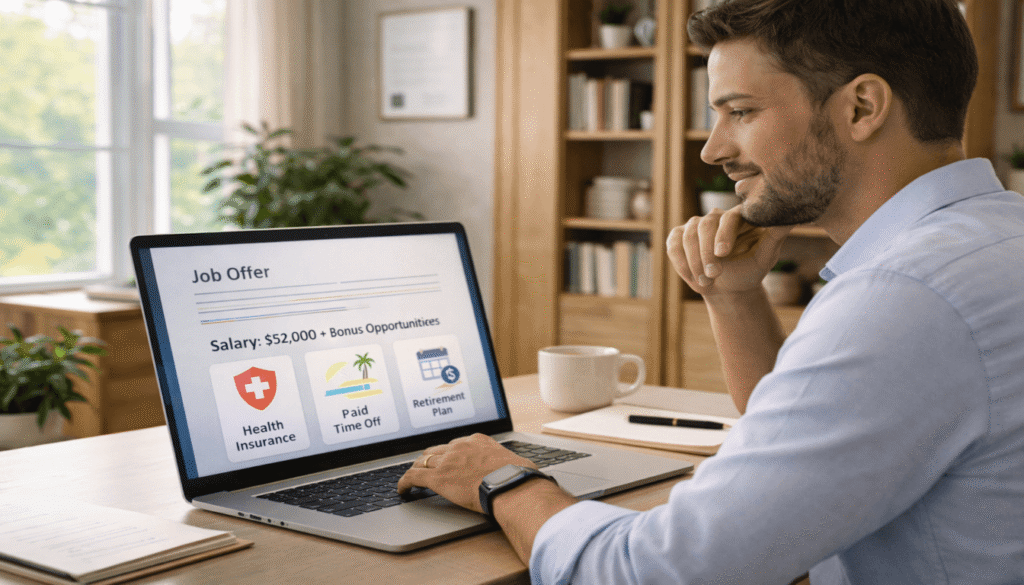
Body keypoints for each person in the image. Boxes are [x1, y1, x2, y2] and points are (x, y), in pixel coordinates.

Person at [398, 0, 1024, 582]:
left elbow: (656, 572)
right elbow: (805, 453)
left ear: (861, 107)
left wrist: (504, 480)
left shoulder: (902, 297)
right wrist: (733, 298)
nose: (712, 148)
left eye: (741, 112)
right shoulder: (996, 238)